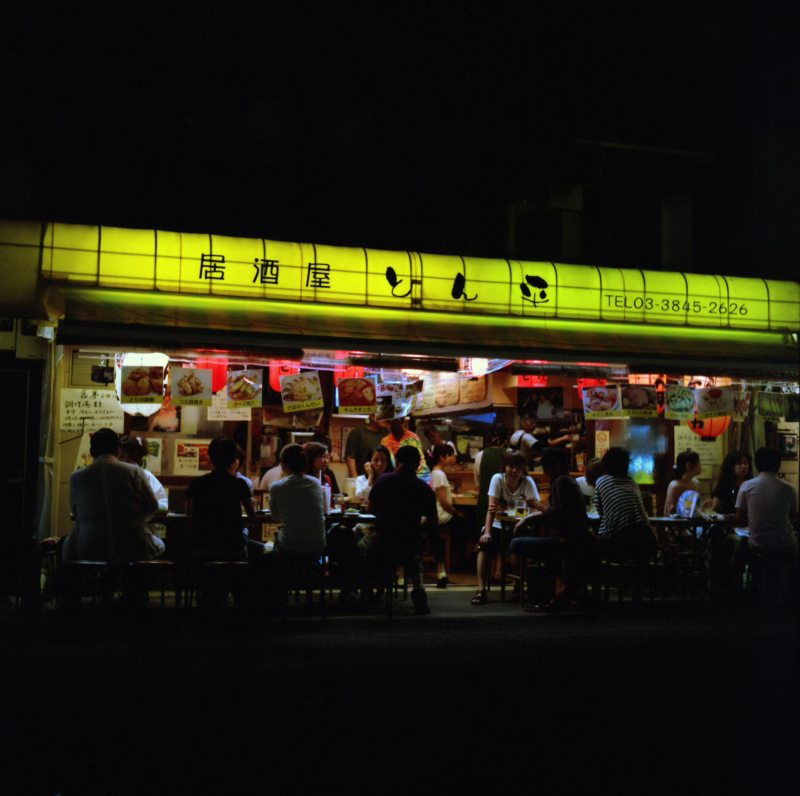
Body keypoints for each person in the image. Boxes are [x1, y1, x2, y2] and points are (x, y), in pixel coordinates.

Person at [510, 447, 594, 610]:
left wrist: (535, 505)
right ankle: (559, 584)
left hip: (565, 541)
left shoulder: (560, 481)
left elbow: (556, 513)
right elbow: (555, 513)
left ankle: (555, 586)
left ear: (556, 466)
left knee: (515, 544)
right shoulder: (568, 480)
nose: (545, 472)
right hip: (576, 539)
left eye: (546, 468)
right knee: (542, 542)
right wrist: (527, 519)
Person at [63, 428, 162, 563]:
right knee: (158, 545)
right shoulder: (135, 472)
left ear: (91, 452)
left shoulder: (76, 477)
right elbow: (153, 506)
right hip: (134, 549)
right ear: (117, 450)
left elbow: (75, 513)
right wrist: (136, 519)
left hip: (90, 550)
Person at [363, 445, 438, 615]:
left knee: (359, 547)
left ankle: (368, 592)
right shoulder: (424, 488)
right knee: (415, 554)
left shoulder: (383, 480)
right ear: (418, 465)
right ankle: (419, 593)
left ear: (396, 462)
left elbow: (369, 510)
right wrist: (416, 525)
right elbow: (432, 520)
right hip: (410, 545)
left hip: (382, 541)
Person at [471, 451, 539, 605]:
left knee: (517, 548)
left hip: (519, 526)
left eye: (518, 467)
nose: (514, 470)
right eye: (511, 466)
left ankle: (517, 587)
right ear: (505, 467)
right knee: (484, 545)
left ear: (523, 469)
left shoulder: (528, 482)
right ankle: (481, 590)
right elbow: (492, 509)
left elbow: (535, 509)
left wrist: (517, 511)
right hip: (497, 524)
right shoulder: (497, 479)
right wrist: (487, 532)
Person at [735, 447, 798, 604]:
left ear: (757, 464)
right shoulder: (789, 488)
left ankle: (742, 592)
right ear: (778, 465)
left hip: (758, 544)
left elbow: (740, 518)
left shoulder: (747, 486)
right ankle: (792, 593)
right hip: (784, 544)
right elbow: (792, 518)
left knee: (739, 548)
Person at [594, 448, 656, 591]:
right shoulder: (633, 483)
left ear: (606, 466)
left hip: (618, 542)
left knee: (591, 548)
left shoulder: (601, 481)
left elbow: (600, 510)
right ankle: (636, 592)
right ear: (626, 466)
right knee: (638, 559)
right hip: (646, 539)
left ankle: (597, 591)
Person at [186, 436, 256, 558]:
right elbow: (253, 517)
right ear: (234, 459)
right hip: (232, 547)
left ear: (210, 457)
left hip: (201, 546)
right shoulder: (240, 484)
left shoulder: (197, 483)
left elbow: (192, 517)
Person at [703, 451, 752, 593]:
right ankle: (730, 579)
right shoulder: (724, 486)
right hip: (729, 528)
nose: (744, 466)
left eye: (746, 463)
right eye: (739, 463)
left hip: (748, 527)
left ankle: (737, 579)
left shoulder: (751, 484)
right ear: (731, 466)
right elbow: (714, 510)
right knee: (735, 541)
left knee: (743, 542)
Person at [269, 443, 326, 557]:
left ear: (283, 464)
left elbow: (276, 518)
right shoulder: (315, 483)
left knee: (275, 543)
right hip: (317, 546)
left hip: (289, 547)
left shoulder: (277, 486)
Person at [429, 444, 468, 587]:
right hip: (441, 515)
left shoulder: (435, 473)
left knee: (461, 522)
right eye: (450, 455)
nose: (453, 458)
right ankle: (458, 560)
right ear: (442, 457)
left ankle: (455, 558)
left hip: (437, 514)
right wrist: (456, 512)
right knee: (464, 522)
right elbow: (443, 501)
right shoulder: (439, 474)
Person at [474, 423, 508, 539]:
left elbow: (478, 483)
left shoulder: (480, 455)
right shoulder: (510, 454)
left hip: (484, 502)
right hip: (504, 504)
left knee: (484, 536)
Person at [118, 435, 168, 510]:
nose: (125, 461)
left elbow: (163, 505)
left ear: (137, 458)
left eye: (129, 457)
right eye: (121, 456)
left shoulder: (146, 476)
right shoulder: (112, 474)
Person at [381, 418, 431, 484]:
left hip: (405, 479)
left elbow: (391, 464)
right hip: (417, 477)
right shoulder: (413, 436)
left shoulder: (386, 441)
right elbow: (421, 461)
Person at [664, 450, 702, 516]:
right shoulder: (675, 486)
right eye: (698, 462)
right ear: (689, 465)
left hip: (694, 524)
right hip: (677, 524)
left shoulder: (696, 483)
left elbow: (696, 509)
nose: (700, 466)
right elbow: (670, 513)